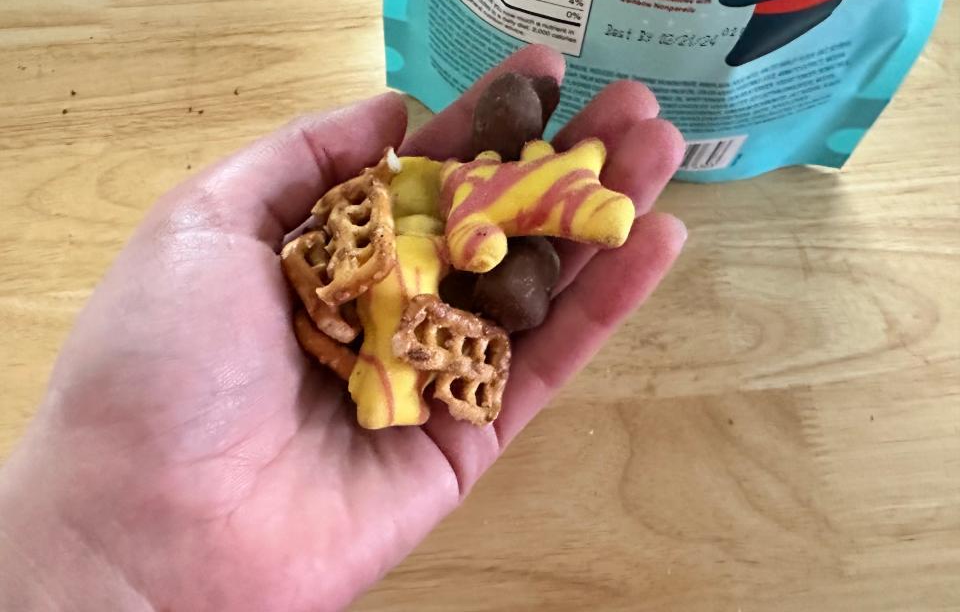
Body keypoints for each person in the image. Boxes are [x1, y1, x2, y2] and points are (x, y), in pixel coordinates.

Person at [0, 46, 686, 611]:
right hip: (401, 302)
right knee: (412, 266)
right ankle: (388, 381)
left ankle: (390, 379)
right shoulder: (410, 210)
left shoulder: (453, 213)